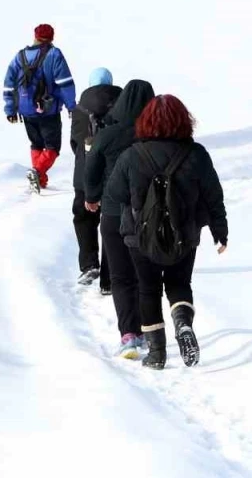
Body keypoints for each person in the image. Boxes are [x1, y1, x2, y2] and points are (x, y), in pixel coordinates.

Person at [108, 94, 228, 370]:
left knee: (148, 290)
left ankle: (157, 354)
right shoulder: (196, 154)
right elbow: (213, 196)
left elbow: (114, 194)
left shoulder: (130, 156)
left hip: (140, 236)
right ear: (183, 121)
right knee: (179, 284)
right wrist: (220, 231)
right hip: (185, 234)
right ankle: (183, 321)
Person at [84, 79, 155, 359]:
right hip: (149, 213)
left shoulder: (107, 134)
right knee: (145, 275)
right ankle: (150, 330)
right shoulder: (155, 134)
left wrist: (92, 196)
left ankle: (129, 335)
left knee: (121, 276)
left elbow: (91, 168)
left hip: (114, 212)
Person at [3, 24, 77, 192]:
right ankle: (37, 171)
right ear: (52, 37)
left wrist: (10, 109)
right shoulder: (54, 54)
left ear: (35, 36)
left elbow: (9, 84)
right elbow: (65, 83)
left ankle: (40, 181)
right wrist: (72, 106)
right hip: (48, 110)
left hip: (26, 111)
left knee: (36, 144)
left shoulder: (19, 56)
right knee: (53, 147)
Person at [71, 67, 122, 290]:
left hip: (84, 173)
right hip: (114, 173)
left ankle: (89, 265)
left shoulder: (80, 107)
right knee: (112, 222)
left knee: (84, 218)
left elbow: (75, 142)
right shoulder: (122, 103)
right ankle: (109, 279)